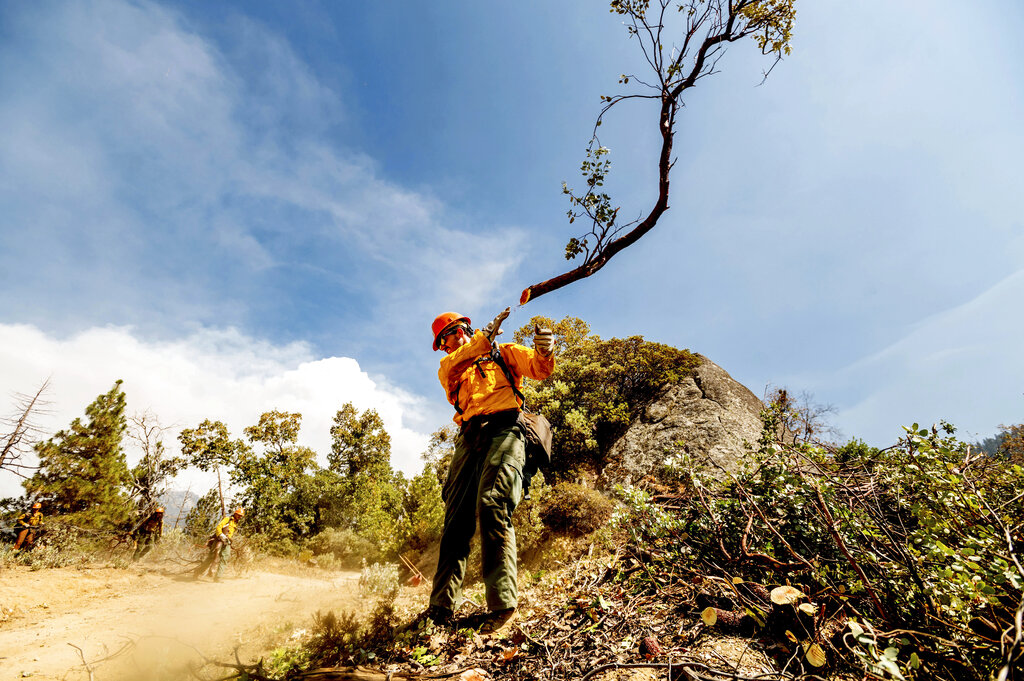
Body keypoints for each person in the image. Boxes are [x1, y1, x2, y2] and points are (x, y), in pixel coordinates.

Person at [425, 310, 555, 633]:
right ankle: (440, 609)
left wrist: (545, 350)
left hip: (505, 429)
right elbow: (456, 362)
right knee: (455, 521)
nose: (451, 343)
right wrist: (482, 339)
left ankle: (502, 605)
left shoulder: (505, 352)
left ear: (465, 329)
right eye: (445, 341)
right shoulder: (450, 368)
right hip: (469, 438)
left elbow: (539, 369)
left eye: (455, 334)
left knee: (493, 503)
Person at [193, 507, 244, 582]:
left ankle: (218, 577)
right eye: (239, 515)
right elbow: (218, 527)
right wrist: (221, 535)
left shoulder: (235, 522)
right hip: (219, 540)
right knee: (211, 558)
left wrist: (227, 539)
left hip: (227, 542)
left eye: (241, 516)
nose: (240, 517)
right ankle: (197, 572)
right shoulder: (227, 519)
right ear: (235, 514)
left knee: (224, 559)